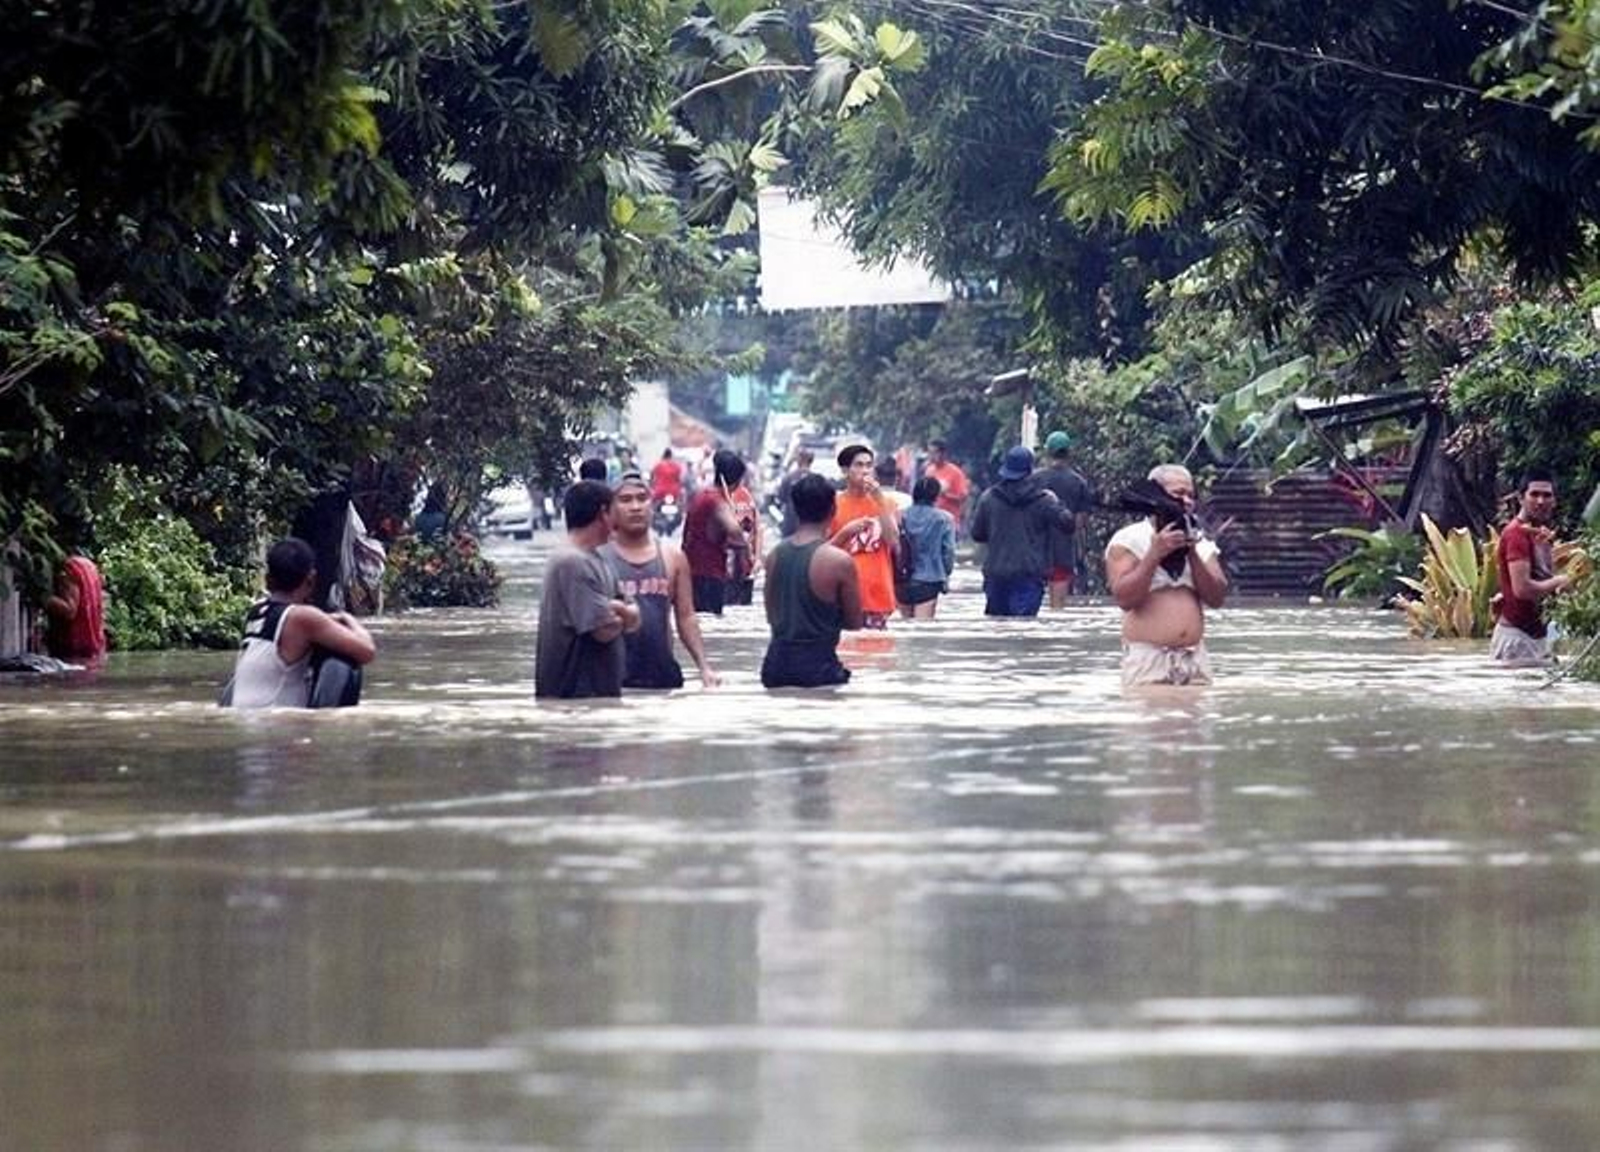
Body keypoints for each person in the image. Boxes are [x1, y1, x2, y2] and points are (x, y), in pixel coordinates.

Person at [1105, 463, 1228, 687]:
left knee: (1195, 721)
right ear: (1157, 496)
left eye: (1191, 495)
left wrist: (1191, 551)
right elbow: (1124, 599)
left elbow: (1217, 598)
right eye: (1179, 494)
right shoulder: (1128, 540)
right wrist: (1155, 553)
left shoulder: (1202, 542)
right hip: (1148, 660)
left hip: (1195, 660)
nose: (1187, 501)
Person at [598, 472, 720, 690]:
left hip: (661, 673)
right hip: (612, 677)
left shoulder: (673, 558)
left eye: (642, 499)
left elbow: (686, 617)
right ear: (610, 512)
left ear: (652, 506)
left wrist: (704, 667)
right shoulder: (597, 560)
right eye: (625, 500)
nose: (635, 507)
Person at [226, 537, 377, 709]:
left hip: (245, 719)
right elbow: (367, 651)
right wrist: (347, 618)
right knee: (345, 660)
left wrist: (326, 620)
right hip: (274, 725)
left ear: (268, 579)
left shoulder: (256, 611)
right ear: (311, 579)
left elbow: (292, 626)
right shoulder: (303, 618)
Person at [535, 480, 641, 699]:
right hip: (574, 699)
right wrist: (619, 611)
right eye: (614, 510)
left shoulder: (599, 560)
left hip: (598, 698)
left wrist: (615, 608)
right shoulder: (571, 562)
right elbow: (603, 630)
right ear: (603, 513)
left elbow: (635, 619)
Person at [762, 473, 863, 688]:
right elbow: (855, 623)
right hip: (818, 668)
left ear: (795, 510)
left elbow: (772, 616)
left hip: (774, 667)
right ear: (833, 510)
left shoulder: (773, 556)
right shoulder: (840, 561)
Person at [969, 445, 1076, 618]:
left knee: (997, 628)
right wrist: (1057, 502)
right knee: (1024, 631)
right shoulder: (1044, 501)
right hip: (1029, 574)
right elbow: (1068, 525)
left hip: (997, 574)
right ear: (1029, 470)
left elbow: (977, 534)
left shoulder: (988, 498)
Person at [1491, 470, 1571, 666]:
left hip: (1537, 637)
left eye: (1546, 495)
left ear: (1554, 501)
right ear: (1521, 498)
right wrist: (1560, 581)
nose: (1541, 501)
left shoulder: (1538, 535)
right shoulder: (1516, 534)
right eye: (1534, 494)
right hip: (1518, 639)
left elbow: (1541, 581)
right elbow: (1522, 589)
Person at [829, 444, 901, 629]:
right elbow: (822, 552)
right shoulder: (833, 505)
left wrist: (879, 500)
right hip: (843, 597)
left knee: (877, 655)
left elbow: (892, 540)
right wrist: (846, 532)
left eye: (869, 465)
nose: (865, 471)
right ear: (845, 470)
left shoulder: (887, 503)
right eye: (859, 465)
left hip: (877, 596)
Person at [682, 448, 752, 615]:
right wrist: (744, 552)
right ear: (736, 482)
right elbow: (734, 530)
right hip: (709, 576)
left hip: (691, 573)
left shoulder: (701, 495)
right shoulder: (717, 501)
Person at [1035, 430, 1096, 608]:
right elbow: (1081, 521)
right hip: (1063, 548)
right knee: (1058, 606)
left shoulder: (1034, 479)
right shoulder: (1079, 482)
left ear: (1047, 452)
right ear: (1069, 453)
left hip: (1036, 548)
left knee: (1032, 603)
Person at [896, 477, 957, 619]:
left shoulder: (899, 515)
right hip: (929, 580)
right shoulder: (944, 519)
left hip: (902, 579)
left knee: (905, 626)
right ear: (936, 495)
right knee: (923, 628)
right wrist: (945, 574)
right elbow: (948, 552)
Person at [43, 553, 107, 661]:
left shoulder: (70, 569)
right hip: (93, 646)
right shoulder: (90, 567)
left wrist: (42, 598)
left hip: (72, 647)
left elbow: (70, 610)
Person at [724, 458, 762, 606]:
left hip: (736, 567)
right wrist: (757, 558)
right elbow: (758, 529)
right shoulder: (747, 497)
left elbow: (758, 529)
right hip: (744, 565)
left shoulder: (725, 497)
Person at [924, 438, 971, 534]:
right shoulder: (929, 471)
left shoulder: (955, 473)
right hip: (931, 522)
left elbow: (963, 498)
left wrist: (945, 495)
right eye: (929, 453)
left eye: (934, 453)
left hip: (949, 522)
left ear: (943, 453)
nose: (931, 456)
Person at [775, 449, 814, 538]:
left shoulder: (788, 478)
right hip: (810, 524)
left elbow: (781, 498)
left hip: (791, 521)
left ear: (799, 460)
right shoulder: (816, 479)